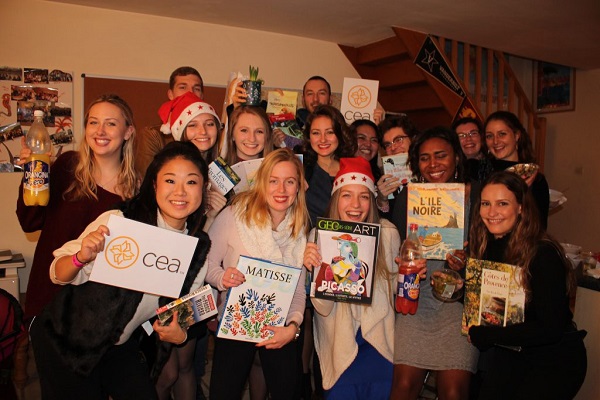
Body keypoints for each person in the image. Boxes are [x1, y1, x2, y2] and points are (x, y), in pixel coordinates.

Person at [29, 141, 212, 399]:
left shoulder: (197, 250)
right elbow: (56, 273)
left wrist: (179, 335)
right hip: (66, 340)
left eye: (191, 182)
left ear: (203, 188)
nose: (180, 192)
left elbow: (181, 319)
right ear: (154, 185)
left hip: (119, 346)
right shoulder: (122, 220)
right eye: (170, 180)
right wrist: (81, 257)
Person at [15, 94, 137, 351]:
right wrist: (31, 176)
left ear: (128, 132)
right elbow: (29, 222)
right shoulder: (66, 166)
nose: (100, 131)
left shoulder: (137, 191)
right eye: (93, 122)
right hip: (48, 299)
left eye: (111, 123)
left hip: (97, 313)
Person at [303, 157, 424, 398]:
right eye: (347, 195)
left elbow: (394, 292)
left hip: (379, 347)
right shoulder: (319, 236)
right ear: (336, 199)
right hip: (339, 348)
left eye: (364, 196)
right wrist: (317, 269)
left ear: (372, 201)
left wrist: (409, 274)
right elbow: (322, 308)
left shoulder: (387, 233)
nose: (356, 205)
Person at [468, 171, 587, 399]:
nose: (491, 212)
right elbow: (492, 308)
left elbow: (550, 328)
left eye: (502, 203)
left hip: (554, 359)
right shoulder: (488, 247)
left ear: (521, 207)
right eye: (486, 203)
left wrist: (490, 335)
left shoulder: (543, 253)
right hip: (513, 351)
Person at [205, 148, 309, 399]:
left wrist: (293, 328)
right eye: (273, 181)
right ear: (262, 182)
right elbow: (206, 263)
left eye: (289, 181)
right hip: (236, 323)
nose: (281, 189)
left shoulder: (299, 228)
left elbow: (297, 292)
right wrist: (222, 278)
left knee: (288, 392)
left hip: (280, 326)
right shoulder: (235, 214)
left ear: (298, 187)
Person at [391, 127, 478, 400]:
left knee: (453, 392)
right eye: (424, 158)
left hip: (458, 307)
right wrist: (405, 260)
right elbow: (397, 246)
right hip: (416, 301)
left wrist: (467, 262)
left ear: (456, 157)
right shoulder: (408, 197)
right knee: (403, 387)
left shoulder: (477, 196)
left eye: (441, 155)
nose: (433, 164)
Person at [154, 92, 224, 400]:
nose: (202, 131)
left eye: (209, 123)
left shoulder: (220, 171)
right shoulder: (169, 167)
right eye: (193, 125)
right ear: (180, 130)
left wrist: (217, 213)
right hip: (166, 275)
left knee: (186, 366)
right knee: (166, 369)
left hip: (198, 283)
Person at [483, 111, 549, 229]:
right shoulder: (480, 170)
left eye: (502, 134)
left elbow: (539, 226)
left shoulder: (534, 178)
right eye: (489, 136)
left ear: (517, 135)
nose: (495, 141)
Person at [135, 66, 204, 177]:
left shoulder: (209, 134)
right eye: (183, 87)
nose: (190, 93)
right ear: (170, 94)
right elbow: (146, 179)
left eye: (196, 89)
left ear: (202, 96)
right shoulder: (154, 135)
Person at [303, 104, 357, 228]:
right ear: (309, 136)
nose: (323, 139)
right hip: (310, 237)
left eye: (330, 132)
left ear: (340, 134)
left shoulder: (353, 170)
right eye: (316, 133)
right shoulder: (301, 170)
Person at [374, 115, 420, 240]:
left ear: (413, 139)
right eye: (388, 145)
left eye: (398, 140)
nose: (393, 148)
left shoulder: (428, 169)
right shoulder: (385, 178)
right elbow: (386, 225)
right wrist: (382, 200)